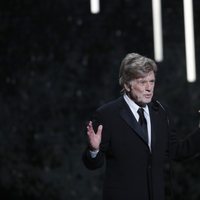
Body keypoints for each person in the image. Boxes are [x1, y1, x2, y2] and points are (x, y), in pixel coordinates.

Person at [82, 53, 200, 200]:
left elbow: (176, 151)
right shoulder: (107, 115)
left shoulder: (160, 112)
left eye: (152, 81)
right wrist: (94, 149)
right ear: (126, 84)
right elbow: (92, 164)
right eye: (143, 82)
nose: (149, 88)